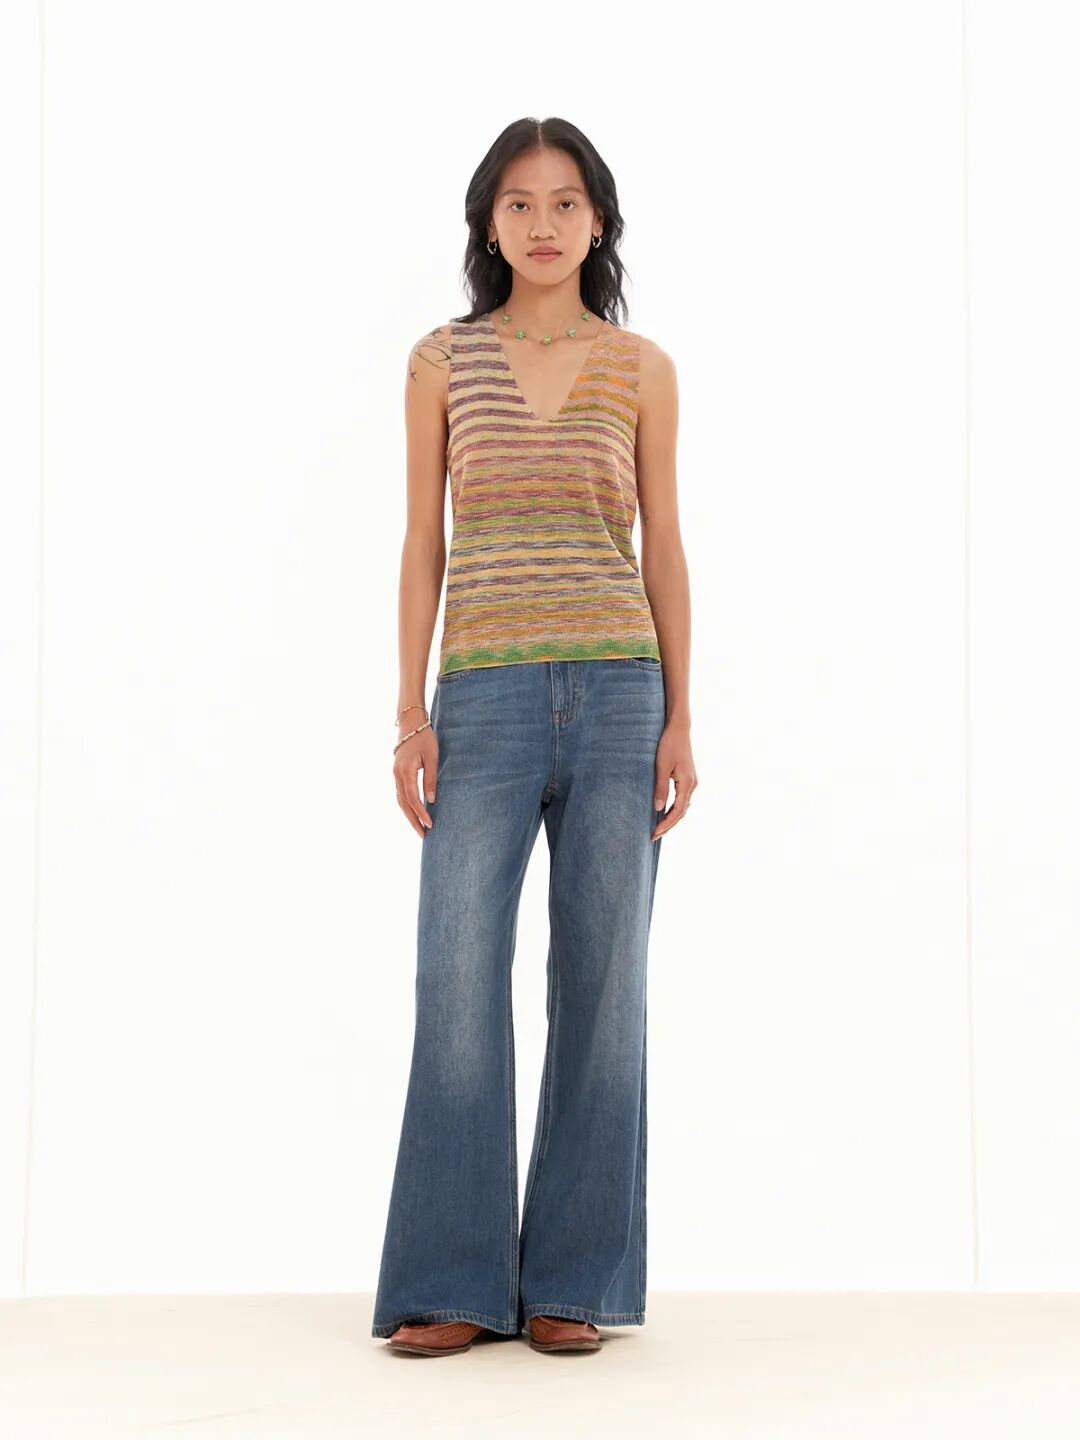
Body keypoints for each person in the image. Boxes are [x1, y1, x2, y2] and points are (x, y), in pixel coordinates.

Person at [372, 116, 697, 1357]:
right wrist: (410, 710)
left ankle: (575, 1280)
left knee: (606, 986)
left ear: (597, 220)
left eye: (566, 202)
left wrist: (681, 714)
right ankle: (451, 1281)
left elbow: (664, 543)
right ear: (489, 223)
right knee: (457, 975)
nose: (544, 222)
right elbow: (424, 541)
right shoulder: (443, 362)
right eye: (520, 202)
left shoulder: (641, 368)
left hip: (621, 694)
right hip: (486, 699)